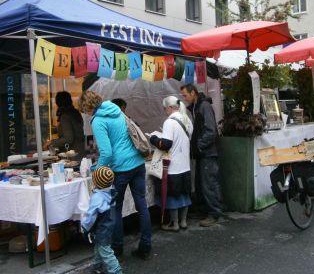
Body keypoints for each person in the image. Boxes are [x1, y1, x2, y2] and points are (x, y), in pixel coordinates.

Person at [79, 90, 152, 260]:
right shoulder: (115, 109)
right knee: (142, 205)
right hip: (138, 162)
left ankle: (117, 248)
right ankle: (146, 246)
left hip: (121, 168)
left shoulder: (98, 121)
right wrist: (99, 164)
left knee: (115, 209)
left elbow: (107, 153)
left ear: (86, 107)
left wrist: (98, 170)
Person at [180, 83, 223, 227]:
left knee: (209, 183)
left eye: (185, 95)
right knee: (200, 184)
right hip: (202, 153)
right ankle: (205, 210)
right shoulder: (195, 107)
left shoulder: (204, 106)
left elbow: (210, 130)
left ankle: (214, 213)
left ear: (193, 93)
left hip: (208, 152)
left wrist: (199, 145)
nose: (184, 98)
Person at [149, 96, 193, 231]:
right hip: (185, 165)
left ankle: (174, 224)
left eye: (164, 108)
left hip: (173, 166)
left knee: (173, 196)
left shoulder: (169, 122)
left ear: (169, 107)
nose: (164, 111)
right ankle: (184, 221)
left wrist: (153, 138)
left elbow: (165, 144)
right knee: (184, 194)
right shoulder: (187, 119)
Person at [81, 166, 122, 274]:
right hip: (110, 223)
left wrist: (84, 226)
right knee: (99, 246)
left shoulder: (97, 197)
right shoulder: (111, 190)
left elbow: (91, 215)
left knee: (105, 251)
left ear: (96, 182)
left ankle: (116, 271)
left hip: (102, 227)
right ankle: (97, 266)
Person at [45, 91, 85, 159]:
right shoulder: (75, 112)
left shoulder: (65, 116)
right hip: (80, 150)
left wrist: (51, 142)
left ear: (58, 103)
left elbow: (68, 138)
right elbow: (73, 129)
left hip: (72, 154)